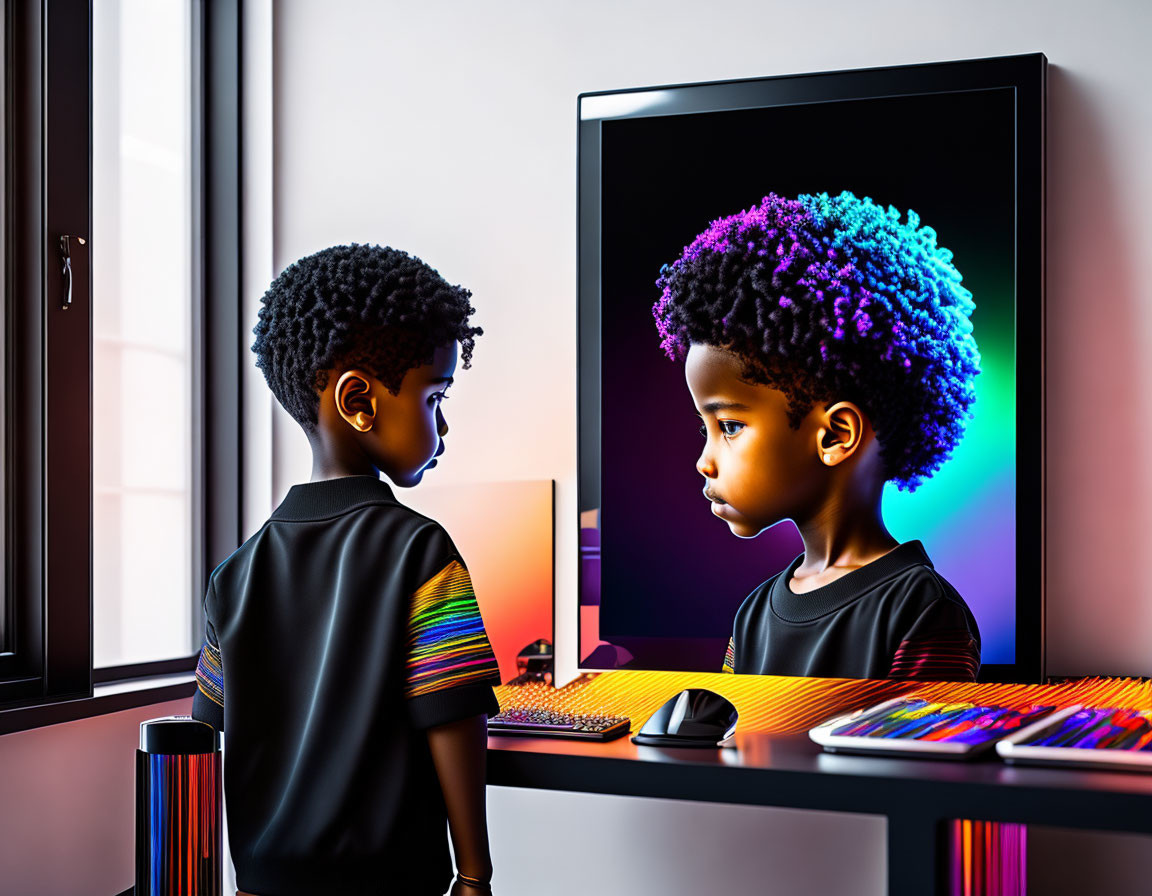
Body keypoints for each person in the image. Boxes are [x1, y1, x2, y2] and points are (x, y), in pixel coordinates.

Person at [192, 243, 501, 896]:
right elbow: (452, 717)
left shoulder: (233, 576)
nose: (442, 427)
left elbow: (208, 734)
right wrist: (474, 873)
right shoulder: (421, 553)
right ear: (359, 399)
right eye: (433, 397)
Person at [652, 191, 982, 681]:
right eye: (706, 428)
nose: (705, 460)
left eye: (730, 427)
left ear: (834, 435)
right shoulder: (753, 615)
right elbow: (731, 741)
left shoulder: (921, 611)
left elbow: (924, 754)